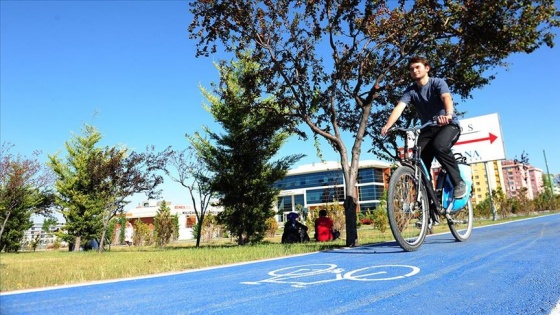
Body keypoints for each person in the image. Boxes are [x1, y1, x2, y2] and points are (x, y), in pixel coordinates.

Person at [381, 56, 467, 199]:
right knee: (418, 161)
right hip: (428, 129)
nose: (414, 71)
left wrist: (448, 114)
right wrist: (388, 125)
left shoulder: (438, 83)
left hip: (448, 125)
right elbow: (399, 107)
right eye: (411, 69)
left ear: (427, 68)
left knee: (439, 146)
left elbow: (446, 98)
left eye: (417, 67)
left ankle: (459, 183)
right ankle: (430, 200)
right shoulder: (411, 91)